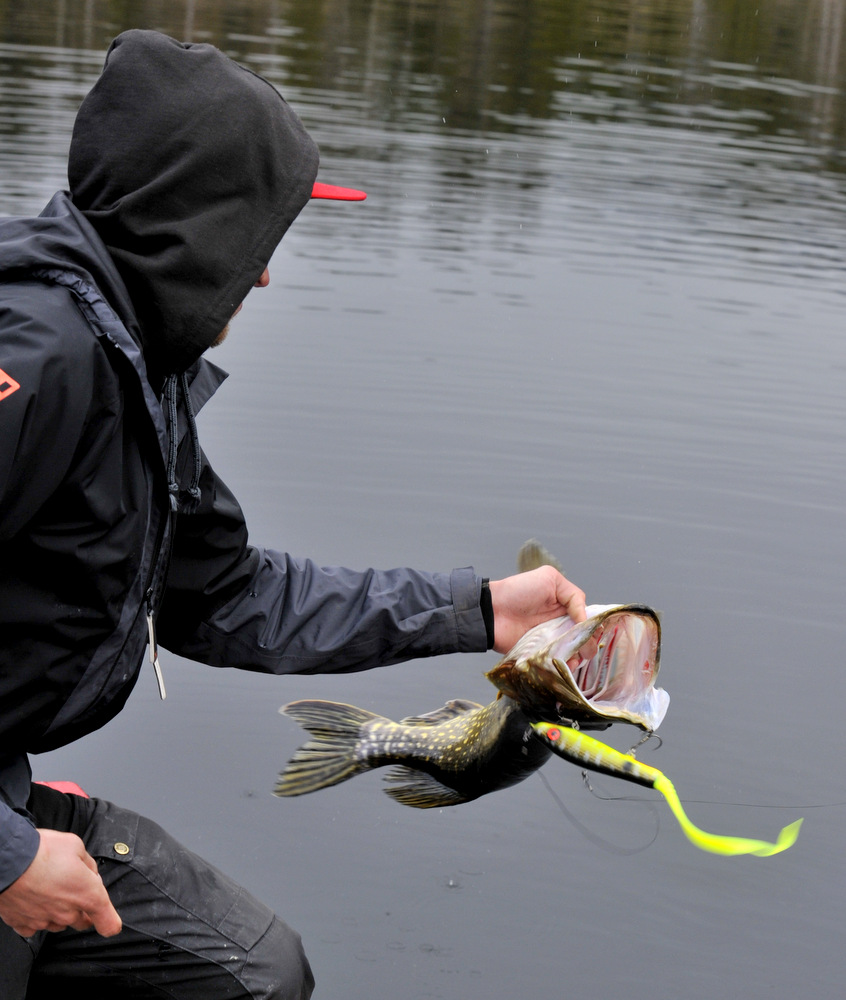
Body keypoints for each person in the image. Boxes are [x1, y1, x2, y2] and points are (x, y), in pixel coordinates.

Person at [0, 30, 588, 999]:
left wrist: (481, 610)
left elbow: (227, 593)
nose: (265, 275)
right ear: (191, 227)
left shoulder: (138, 363)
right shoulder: (43, 355)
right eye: (255, 241)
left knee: (259, 974)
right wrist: (12, 856)